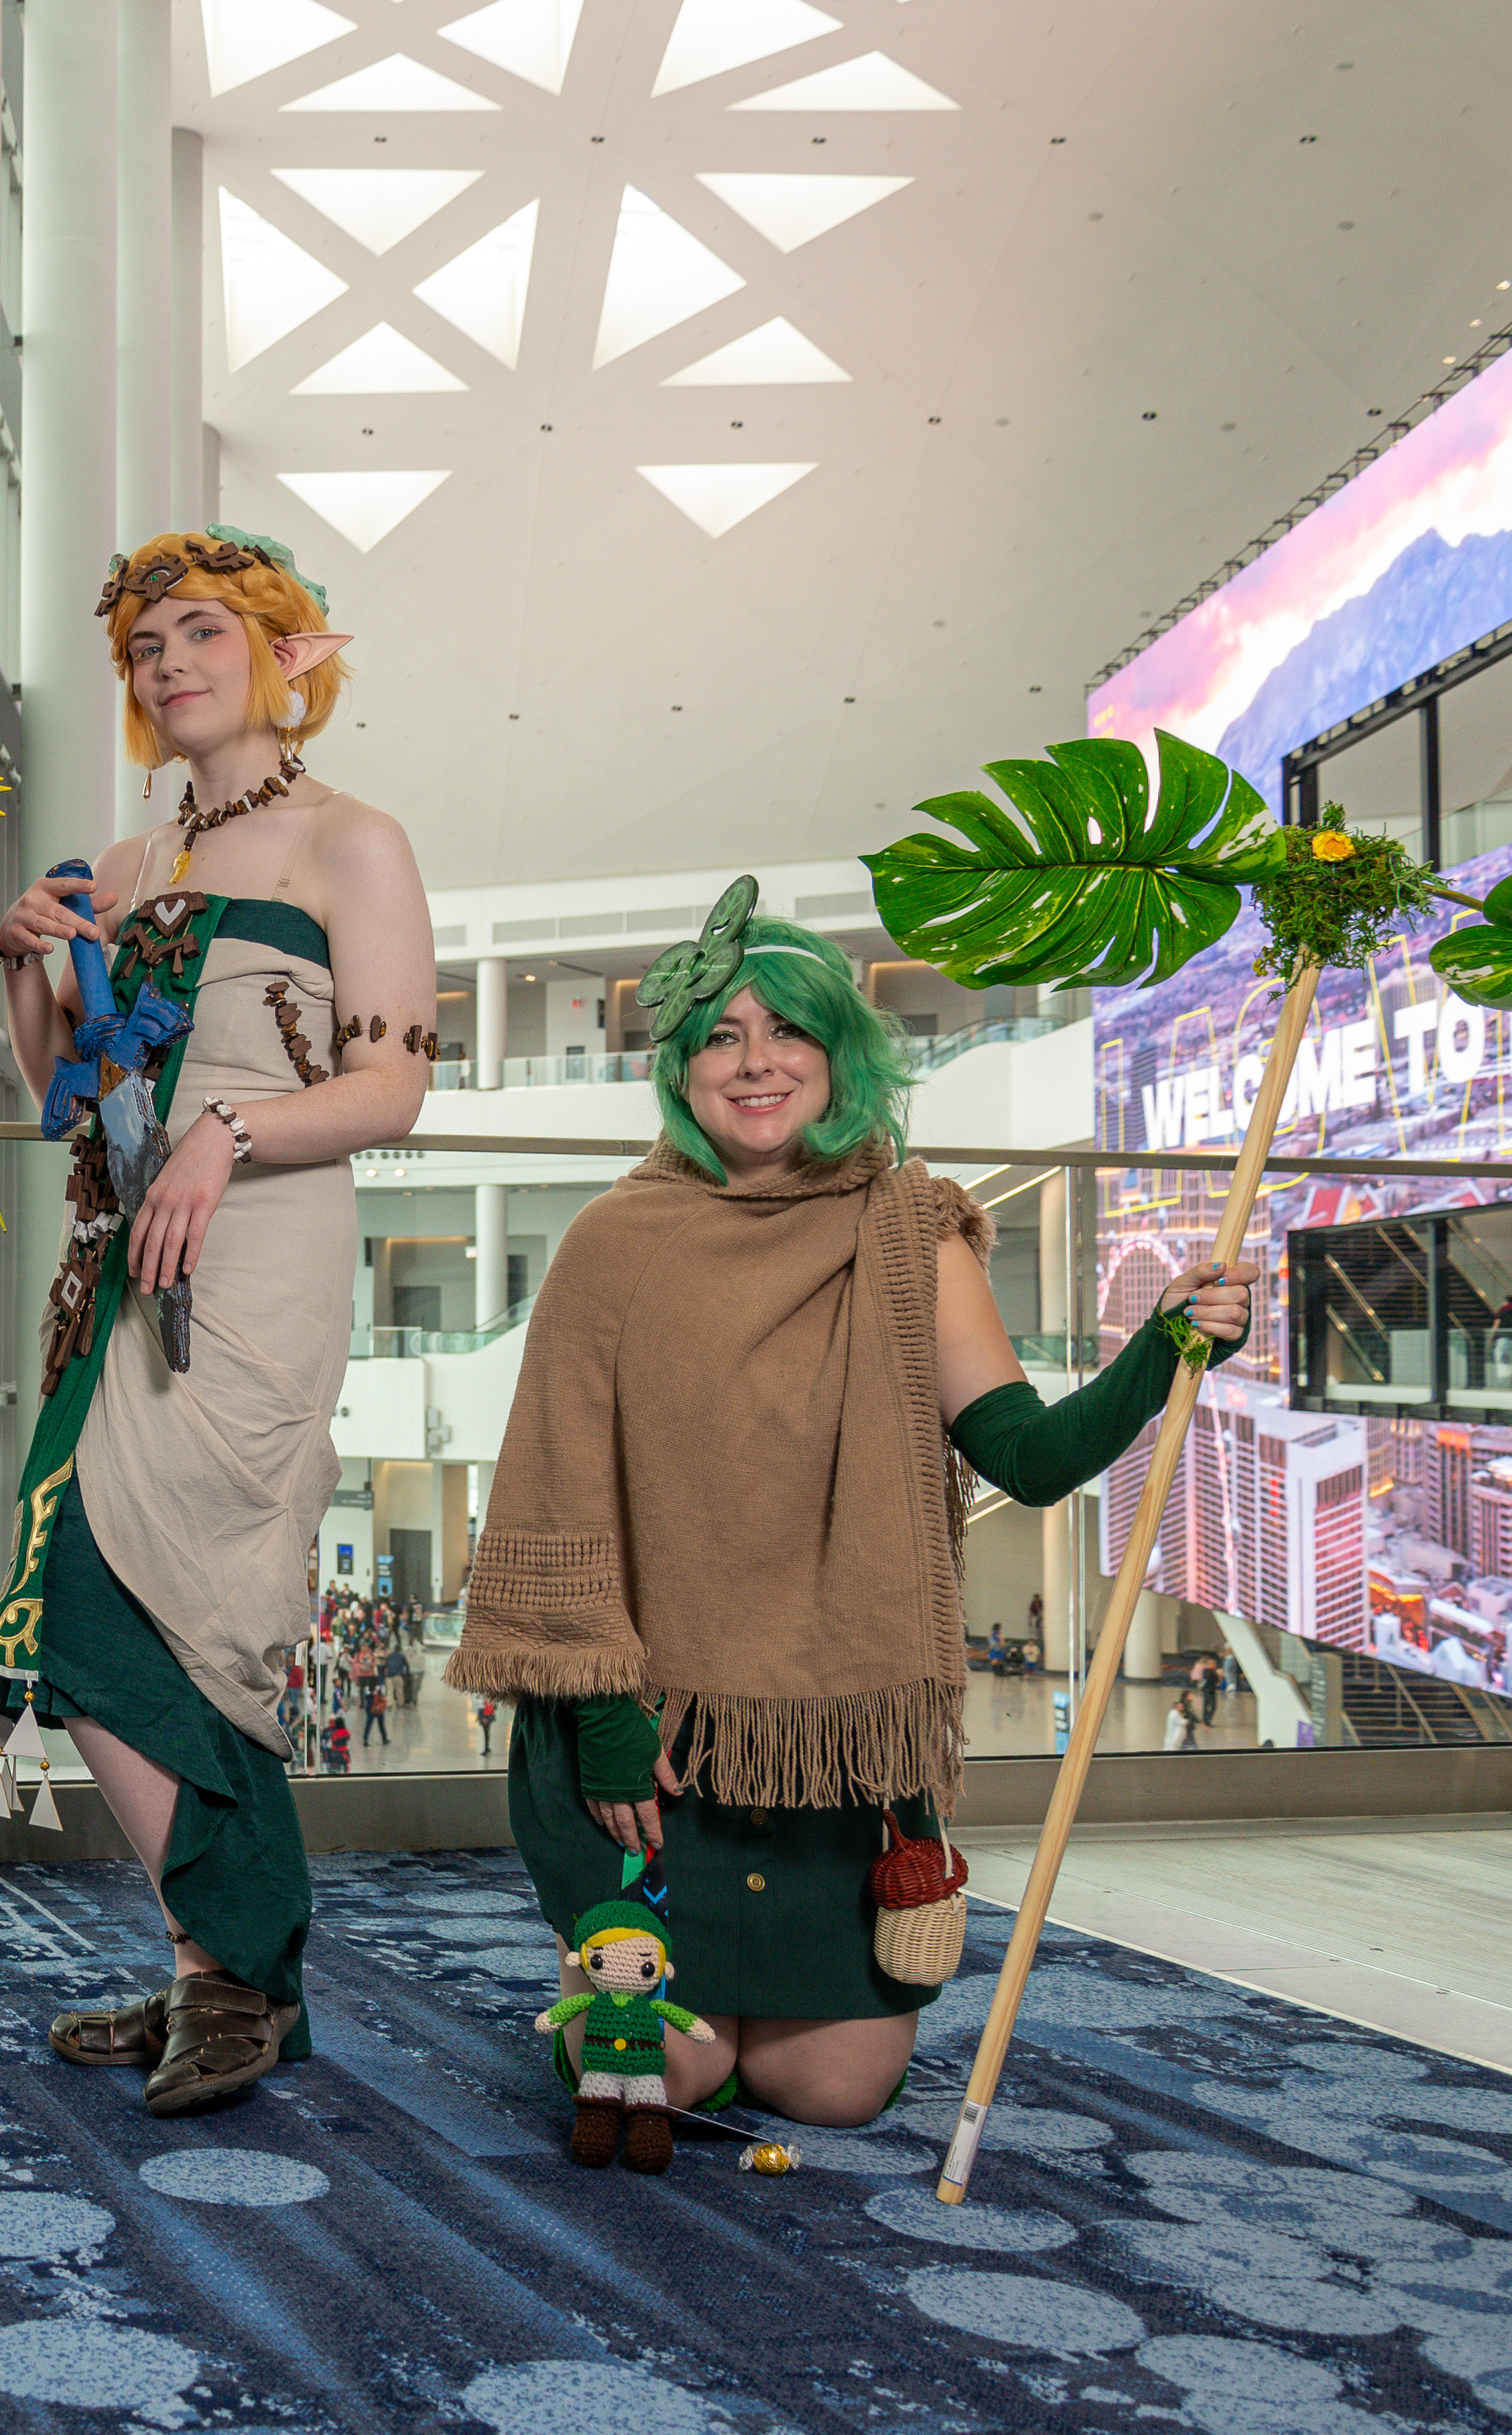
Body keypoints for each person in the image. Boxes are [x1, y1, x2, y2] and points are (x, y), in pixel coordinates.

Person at [446, 888, 1254, 2128]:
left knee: (831, 2092)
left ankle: (748, 1995)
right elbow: (558, 1491)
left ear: (841, 1059)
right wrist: (606, 1713)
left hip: (835, 1748)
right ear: (683, 1069)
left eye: (791, 1034)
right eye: (721, 1036)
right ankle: (625, 1982)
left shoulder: (913, 1234)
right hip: (656, 1731)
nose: (757, 1062)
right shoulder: (616, 1239)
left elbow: (1026, 1458)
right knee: (671, 2070)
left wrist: (1161, 1351)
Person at [0, 526, 434, 2119]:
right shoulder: (120, 866)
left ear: (284, 654)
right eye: (142, 649)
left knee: (211, 1598)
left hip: (257, 1244)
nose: (166, 664)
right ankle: (220, 1967)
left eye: (197, 634)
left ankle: (233, 1973)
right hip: (116, 1257)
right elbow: (65, 1096)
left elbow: (391, 1083)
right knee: (83, 1599)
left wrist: (230, 1130)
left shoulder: (350, 842)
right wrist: (33, 971)